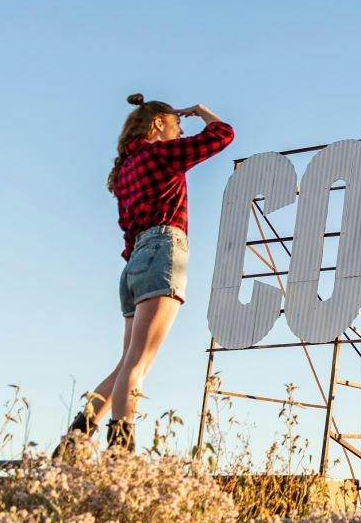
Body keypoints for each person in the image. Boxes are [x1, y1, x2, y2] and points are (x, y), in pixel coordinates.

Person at [53, 94, 234, 458]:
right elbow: (223, 134)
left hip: (134, 262)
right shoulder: (159, 155)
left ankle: (72, 445)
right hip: (162, 251)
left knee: (125, 363)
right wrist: (201, 112)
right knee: (138, 365)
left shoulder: (125, 170)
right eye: (176, 125)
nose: (180, 131)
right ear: (158, 125)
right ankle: (121, 456)